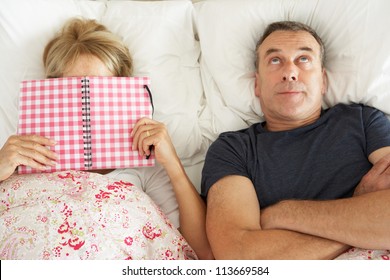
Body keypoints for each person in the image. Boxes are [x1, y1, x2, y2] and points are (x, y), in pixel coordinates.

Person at [0, 18, 213, 260]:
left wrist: (173, 163)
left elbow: (204, 253)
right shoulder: (21, 158)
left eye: (99, 89)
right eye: (74, 88)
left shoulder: (142, 167)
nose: (86, 106)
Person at [201, 21, 390, 259]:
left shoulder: (363, 121)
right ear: (257, 84)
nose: (290, 72)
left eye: (303, 59)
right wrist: (360, 209)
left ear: (323, 80)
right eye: (275, 60)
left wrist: (282, 214)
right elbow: (238, 254)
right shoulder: (233, 150)